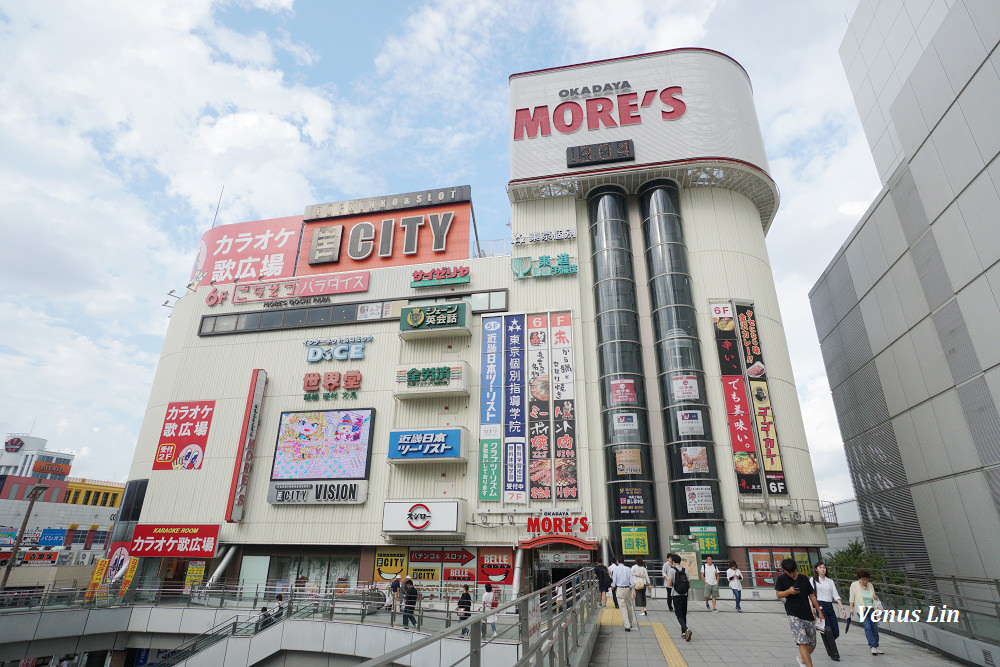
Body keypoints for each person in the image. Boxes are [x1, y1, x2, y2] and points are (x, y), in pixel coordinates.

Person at [775, 557, 824, 667]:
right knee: (802, 642)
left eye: (794, 572)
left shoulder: (803, 578)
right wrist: (788, 591)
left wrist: (819, 611)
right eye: (789, 573)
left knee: (812, 644)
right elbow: (778, 595)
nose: (792, 574)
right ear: (784, 571)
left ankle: (802, 658)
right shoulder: (782, 579)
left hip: (807, 614)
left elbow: (812, 595)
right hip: (793, 614)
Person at [812, 561, 845, 661]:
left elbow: (835, 595)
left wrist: (842, 608)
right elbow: (811, 595)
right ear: (816, 569)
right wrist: (811, 608)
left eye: (824, 568)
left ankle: (828, 644)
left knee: (835, 632)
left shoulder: (830, 581)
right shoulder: (813, 580)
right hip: (820, 605)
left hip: (829, 606)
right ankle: (835, 654)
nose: (823, 569)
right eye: (820, 567)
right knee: (828, 629)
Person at [849, 568, 884, 656]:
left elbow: (874, 597)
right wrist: (851, 608)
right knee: (867, 627)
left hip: (872, 609)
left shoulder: (870, 585)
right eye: (863, 579)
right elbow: (851, 597)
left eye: (866, 579)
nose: (865, 581)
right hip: (862, 609)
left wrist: (875, 598)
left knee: (874, 628)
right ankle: (872, 646)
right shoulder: (854, 585)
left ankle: (877, 645)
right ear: (859, 578)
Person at [665, 553, 692, 641]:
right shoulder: (685, 570)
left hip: (676, 595)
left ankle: (686, 629)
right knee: (684, 614)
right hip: (684, 595)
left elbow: (669, 583)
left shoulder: (672, 570)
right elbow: (689, 584)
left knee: (678, 614)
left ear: (673, 561)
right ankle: (683, 633)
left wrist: (674, 585)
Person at [610, 555, 637, 631]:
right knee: (629, 606)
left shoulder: (616, 569)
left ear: (617, 562)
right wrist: (634, 591)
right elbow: (631, 581)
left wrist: (612, 586)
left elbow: (614, 581)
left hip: (620, 589)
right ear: (624, 561)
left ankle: (627, 625)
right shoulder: (628, 569)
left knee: (623, 608)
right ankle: (631, 622)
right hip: (628, 589)